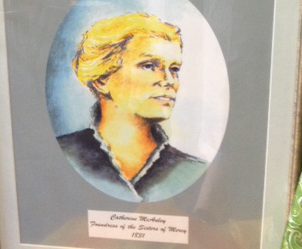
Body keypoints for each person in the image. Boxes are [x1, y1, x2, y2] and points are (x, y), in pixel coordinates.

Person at [56, 12, 207, 202]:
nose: (169, 80)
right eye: (149, 65)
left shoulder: (193, 170)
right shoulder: (61, 154)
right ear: (102, 79)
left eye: (174, 69)